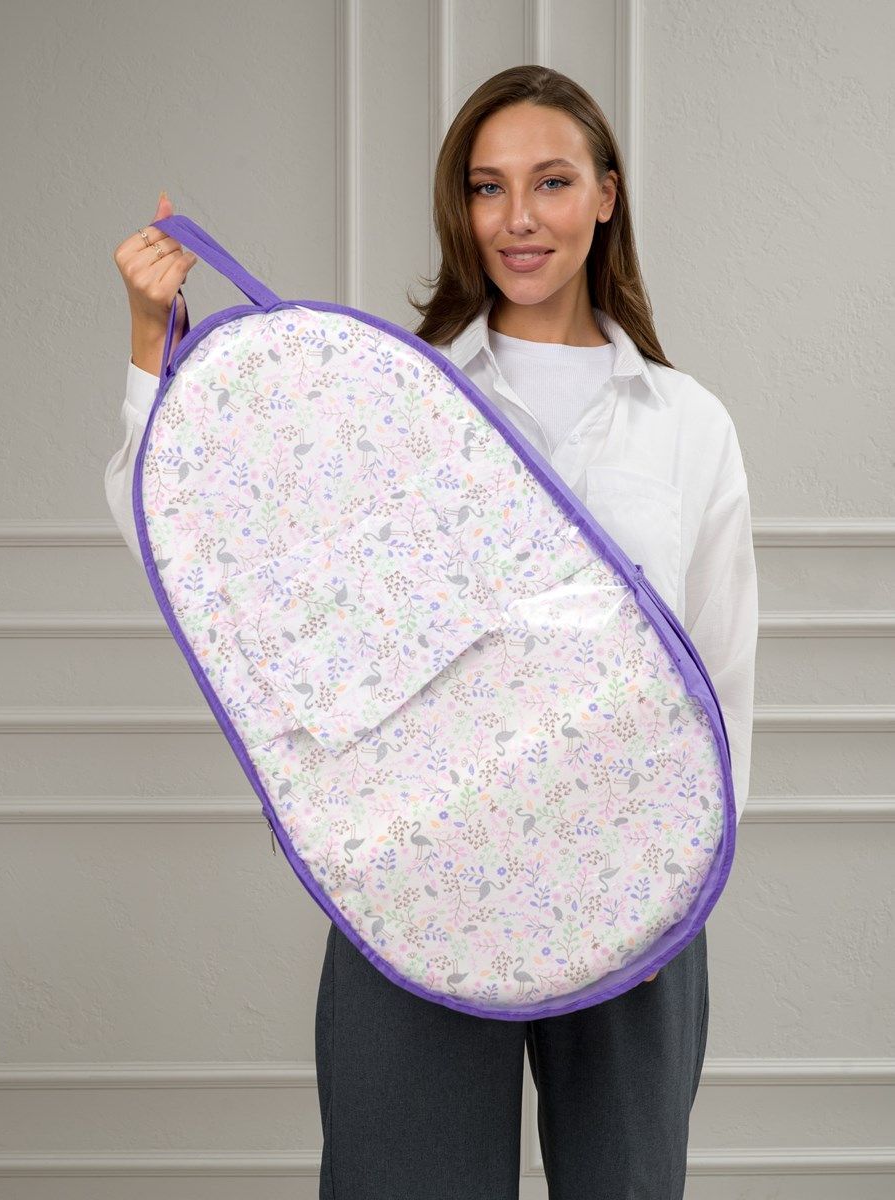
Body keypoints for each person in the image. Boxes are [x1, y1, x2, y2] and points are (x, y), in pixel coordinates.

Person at [107, 63, 757, 1200]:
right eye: (486, 187)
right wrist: (152, 349)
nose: (518, 218)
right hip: (418, 865)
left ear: (606, 195)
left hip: (630, 859)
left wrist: (682, 880)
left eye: (551, 182)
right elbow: (202, 553)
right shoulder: (388, 397)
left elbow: (722, 662)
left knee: (629, 1184)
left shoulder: (686, 423)